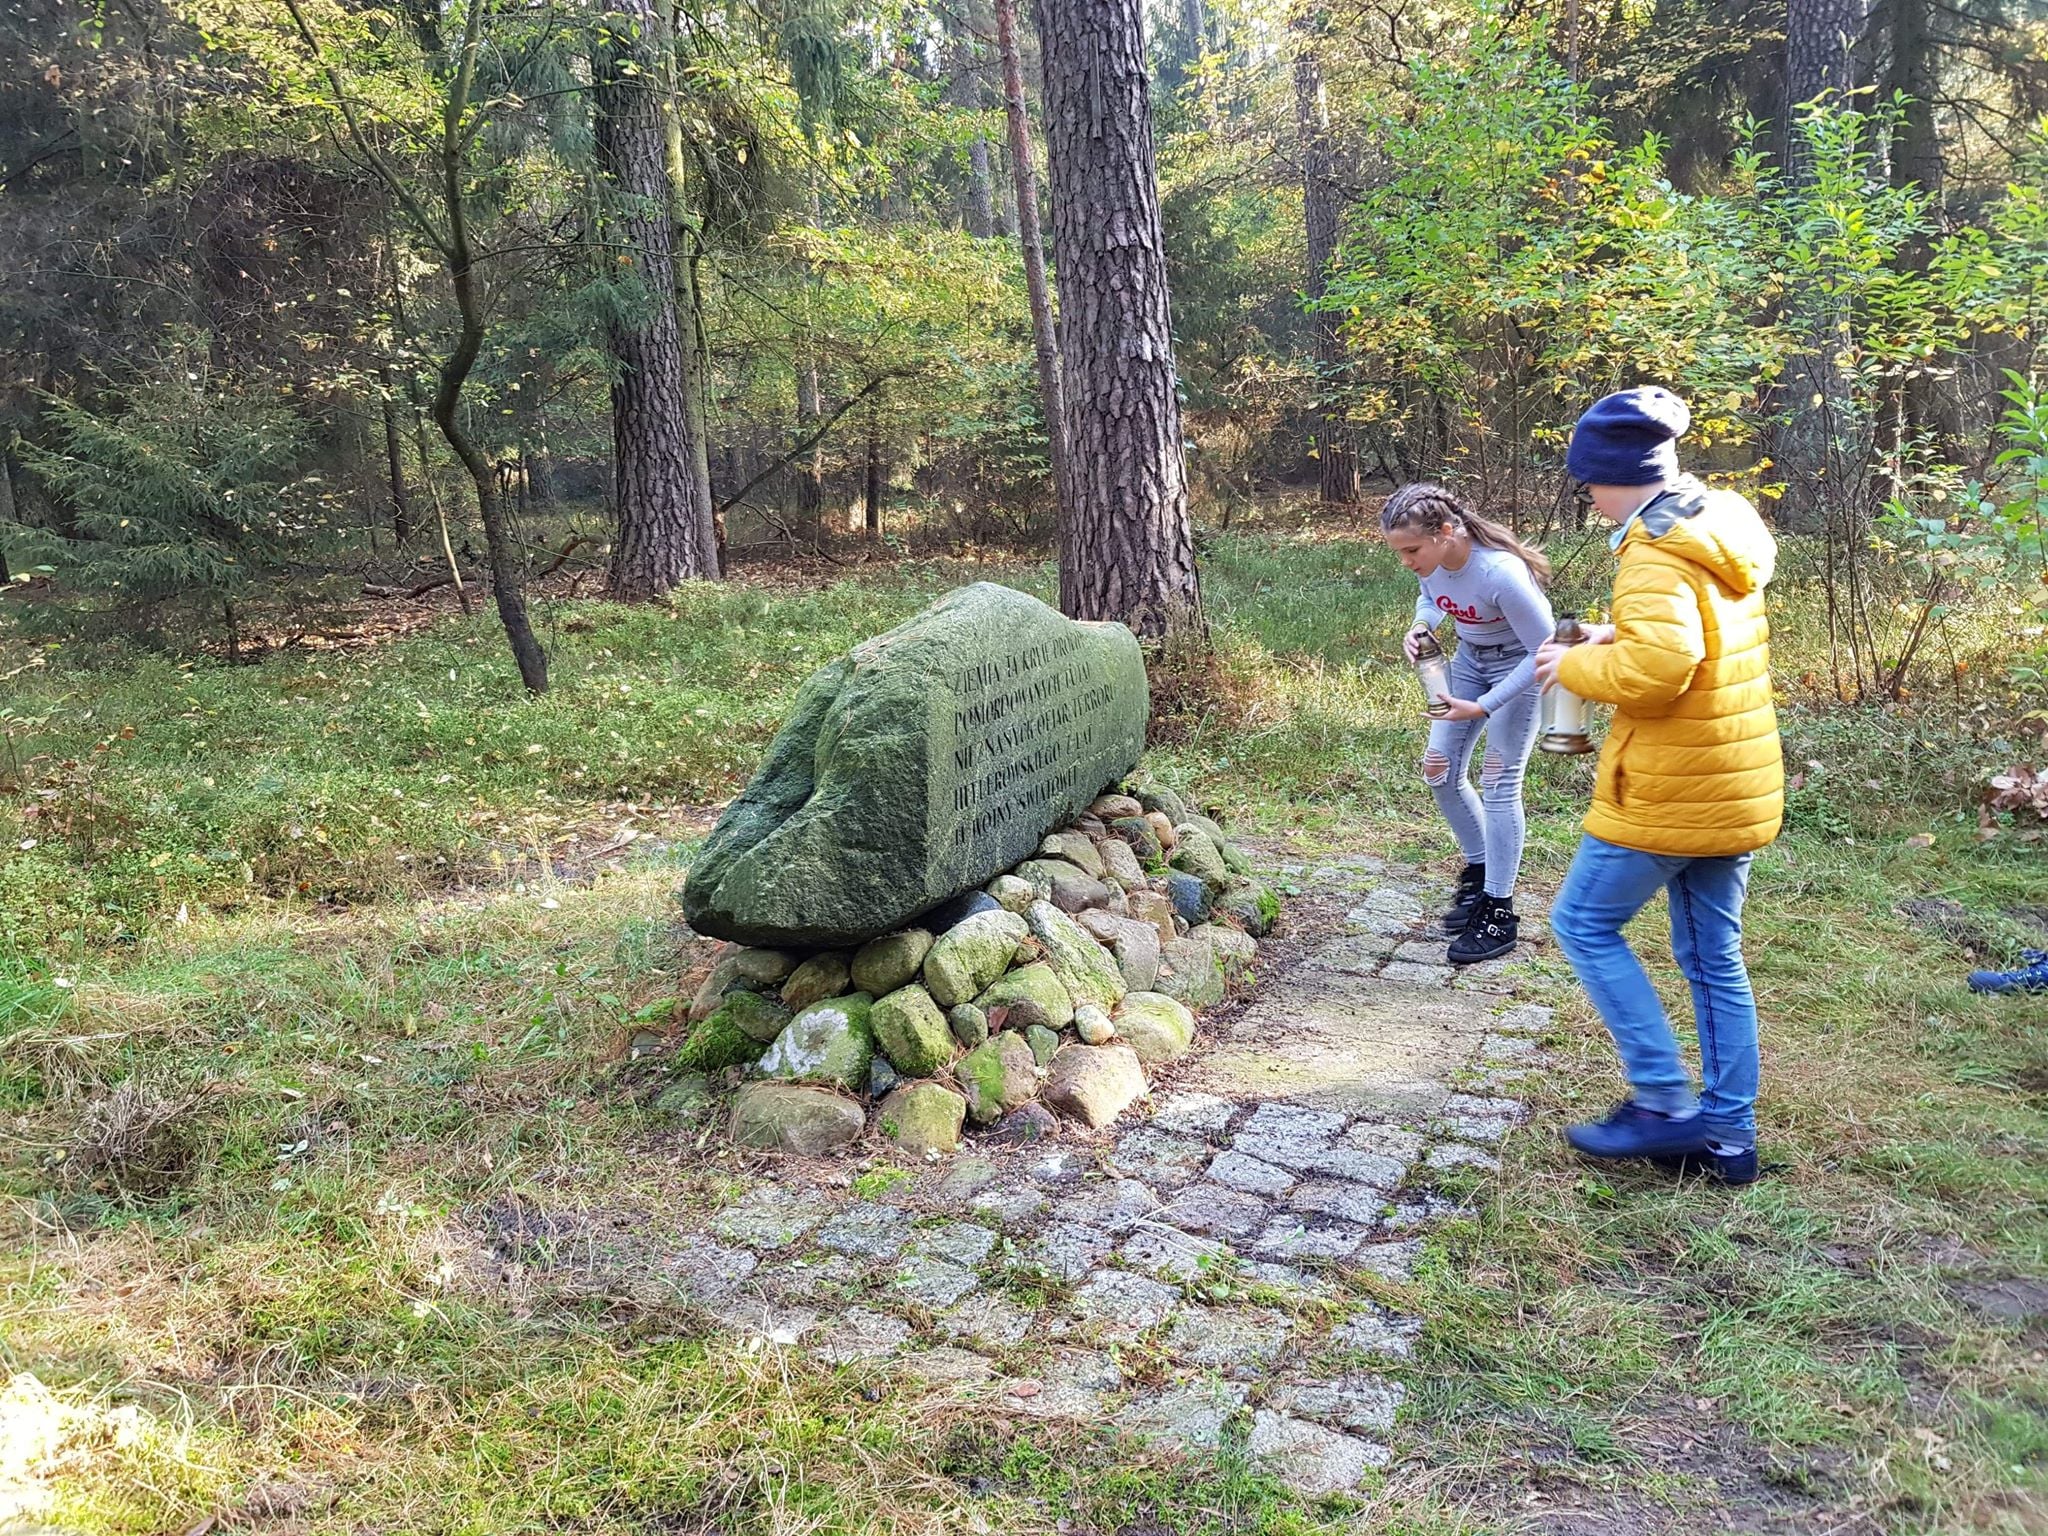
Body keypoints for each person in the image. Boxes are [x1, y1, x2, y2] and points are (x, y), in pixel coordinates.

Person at [1535, 387, 1783, 1185]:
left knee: (1582, 923)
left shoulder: (1649, 548)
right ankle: (1728, 1139)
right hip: (1735, 776)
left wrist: (1573, 662)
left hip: (1675, 788)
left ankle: (1664, 1105)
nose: (1589, 498)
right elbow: (1692, 637)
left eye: (1591, 483)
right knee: (1714, 956)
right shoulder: (1714, 521)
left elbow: (1659, 670)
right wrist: (1619, 632)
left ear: (1617, 475)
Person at [1385, 483, 1556, 965]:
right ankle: (1481, 877)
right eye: (1398, 552)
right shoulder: (1435, 562)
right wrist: (1422, 627)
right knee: (1438, 769)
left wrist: (1484, 705)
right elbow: (1431, 597)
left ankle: (1499, 914)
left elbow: (1546, 651)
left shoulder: (1500, 573)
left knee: (1500, 783)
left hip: (1519, 672)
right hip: (1470, 663)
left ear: (1445, 532)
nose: (1406, 561)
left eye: (1412, 550)